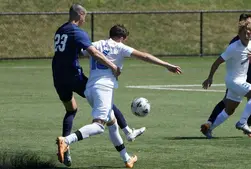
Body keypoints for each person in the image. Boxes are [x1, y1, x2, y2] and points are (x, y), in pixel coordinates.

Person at [56, 24, 182, 168]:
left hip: (90, 88)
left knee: (112, 123)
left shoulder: (95, 44)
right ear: (123, 38)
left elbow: (77, 53)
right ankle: (66, 141)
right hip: (103, 89)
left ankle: (127, 159)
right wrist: (167, 65)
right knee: (98, 126)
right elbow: (145, 56)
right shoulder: (120, 47)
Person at [52, 4, 145, 167]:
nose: (84, 20)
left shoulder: (60, 30)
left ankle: (126, 156)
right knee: (103, 104)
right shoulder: (77, 31)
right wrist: (113, 66)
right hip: (74, 75)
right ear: (80, 15)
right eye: (84, 17)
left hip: (58, 76)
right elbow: (93, 52)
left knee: (72, 109)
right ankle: (66, 141)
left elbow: (77, 52)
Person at [200, 13, 251, 139]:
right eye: (245, 31)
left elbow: (250, 60)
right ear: (239, 33)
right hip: (234, 81)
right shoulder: (233, 47)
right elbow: (217, 62)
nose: (248, 33)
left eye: (250, 31)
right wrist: (210, 77)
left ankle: (208, 129)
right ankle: (242, 123)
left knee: (229, 110)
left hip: (238, 81)